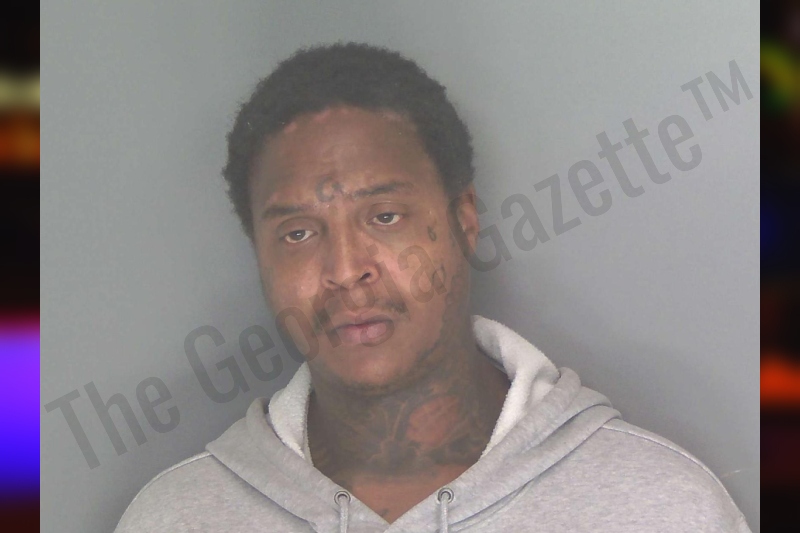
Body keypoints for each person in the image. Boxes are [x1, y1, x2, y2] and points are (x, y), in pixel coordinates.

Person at [115, 42, 751, 532]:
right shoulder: (173, 518)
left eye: (385, 217)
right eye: (298, 233)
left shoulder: (664, 508)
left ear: (464, 219)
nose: (345, 269)